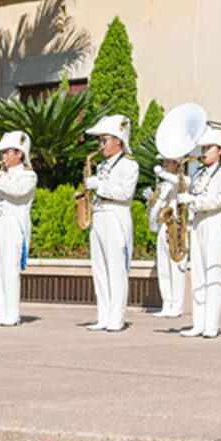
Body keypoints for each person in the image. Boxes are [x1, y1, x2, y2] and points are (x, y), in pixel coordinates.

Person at [176, 128, 221, 339]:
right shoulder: (199, 172)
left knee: (213, 274)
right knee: (198, 275)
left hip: (215, 222)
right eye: (203, 148)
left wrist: (194, 201)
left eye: (208, 148)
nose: (204, 152)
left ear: (220, 150)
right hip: (198, 224)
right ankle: (198, 322)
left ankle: (211, 324)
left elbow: (220, 199)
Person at [83, 115, 139, 332]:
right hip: (100, 215)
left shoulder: (128, 165)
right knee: (100, 270)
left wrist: (100, 186)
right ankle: (103, 316)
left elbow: (125, 193)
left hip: (116, 216)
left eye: (105, 140)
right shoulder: (103, 165)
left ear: (119, 141)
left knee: (117, 270)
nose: (101, 145)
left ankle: (116, 318)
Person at [0, 131, 37, 327]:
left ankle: (12, 314)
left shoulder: (28, 175)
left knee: (10, 269)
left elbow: (17, 191)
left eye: (7, 152)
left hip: (13, 223)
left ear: (19, 154)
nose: (3, 156)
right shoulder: (1, 174)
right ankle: (1, 312)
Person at [146, 156, 188, 318]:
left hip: (177, 225)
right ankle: (167, 303)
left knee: (176, 267)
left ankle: (177, 306)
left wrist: (162, 174)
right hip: (164, 223)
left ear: (177, 163)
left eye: (169, 161)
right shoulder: (164, 182)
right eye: (164, 162)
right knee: (163, 266)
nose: (165, 164)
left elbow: (179, 183)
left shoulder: (184, 179)